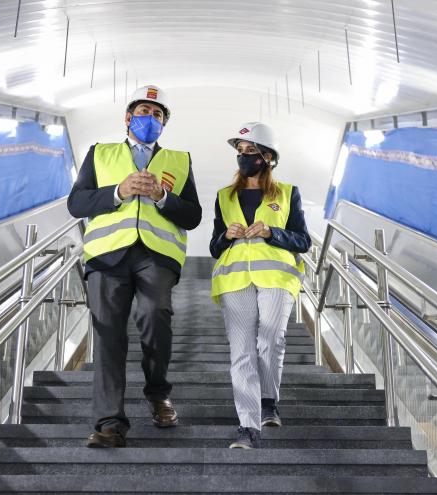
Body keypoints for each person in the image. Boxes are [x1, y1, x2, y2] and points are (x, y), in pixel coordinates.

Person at [67, 85, 202, 448]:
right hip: (106, 257)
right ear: (128, 118)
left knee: (155, 316)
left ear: (163, 125)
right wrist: (118, 193)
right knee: (108, 333)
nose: (150, 119)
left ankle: (158, 394)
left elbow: (193, 215)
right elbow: (77, 203)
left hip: (155, 256)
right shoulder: (100, 154)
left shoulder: (179, 160)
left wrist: (162, 197)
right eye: (144, 111)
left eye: (158, 115)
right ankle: (110, 422)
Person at [209, 122, 311, 449]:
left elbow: (303, 240)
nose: (243, 157)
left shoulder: (287, 193)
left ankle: (268, 400)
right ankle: (248, 427)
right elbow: (214, 246)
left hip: (277, 277)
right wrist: (226, 235)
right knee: (241, 350)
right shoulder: (224, 197)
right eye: (239, 152)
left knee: (270, 339)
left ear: (267, 157)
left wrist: (272, 233)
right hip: (234, 277)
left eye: (249, 151)